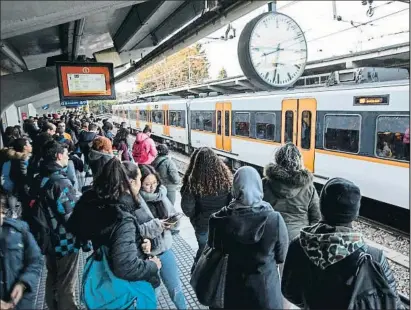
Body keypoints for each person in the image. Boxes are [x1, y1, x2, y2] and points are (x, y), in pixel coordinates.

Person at [281, 177, 403, 310]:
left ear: (322, 207)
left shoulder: (298, 245)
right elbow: (392, 303)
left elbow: (289, 292)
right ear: (355, 213)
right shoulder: (373, 257)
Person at [66, 158, 162, 287]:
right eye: (140, 179)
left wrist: (138, 242)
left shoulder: (99, 203)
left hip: (106, 273)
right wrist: (153, 266)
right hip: (130, 287)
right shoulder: (121, 217)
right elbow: (126, 267)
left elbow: (111, 238)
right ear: (132, 183)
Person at [207, 166, 289, 309]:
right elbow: (282, 257)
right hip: (265, 293)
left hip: (232, 291)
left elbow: (214, 250)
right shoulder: (274, 219)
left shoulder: (218, 220)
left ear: (235, 187)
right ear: (259, 186)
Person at [29, 140, 85, 310]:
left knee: (52, 276)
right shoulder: (60, 182)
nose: (67, 157)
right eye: (66, 154)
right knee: (66, 282)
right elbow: (71, 217)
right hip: (64, 241)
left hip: (47, 238)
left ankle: (52, 306)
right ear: (58, 156)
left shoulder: (40, 177)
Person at [139, 164, 187, 309]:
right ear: (139, 183)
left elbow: (172, 215)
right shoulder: (135, 202)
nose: (151, 187)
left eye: (154, 183)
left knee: (176, 288)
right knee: (152, 292)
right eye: (147, 184)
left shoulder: (162, 195)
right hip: (146, 256)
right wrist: (158, 225)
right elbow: (135, 229)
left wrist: (175, 221)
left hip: (165, 250)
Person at [181, 147, 232, 267]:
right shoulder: (226, 180)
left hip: (203, 226)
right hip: (222, 224)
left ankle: (197, 276)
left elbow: (187, 209)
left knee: (203, 253)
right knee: (220, 253)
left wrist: (197, 218)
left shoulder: (192, 183)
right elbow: (232, 202)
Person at [263, 143, 321, 242]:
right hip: (299, 240)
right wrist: (308, 238)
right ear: (299, 161)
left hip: (269, 239)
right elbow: (317, 218)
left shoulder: (265, 184)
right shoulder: (309, 188)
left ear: (277, 159)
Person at [0, 191, 43, 310]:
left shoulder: (19, 231)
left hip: (20, 305)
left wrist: (23, 284)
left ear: (2, 210)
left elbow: (35, 261)